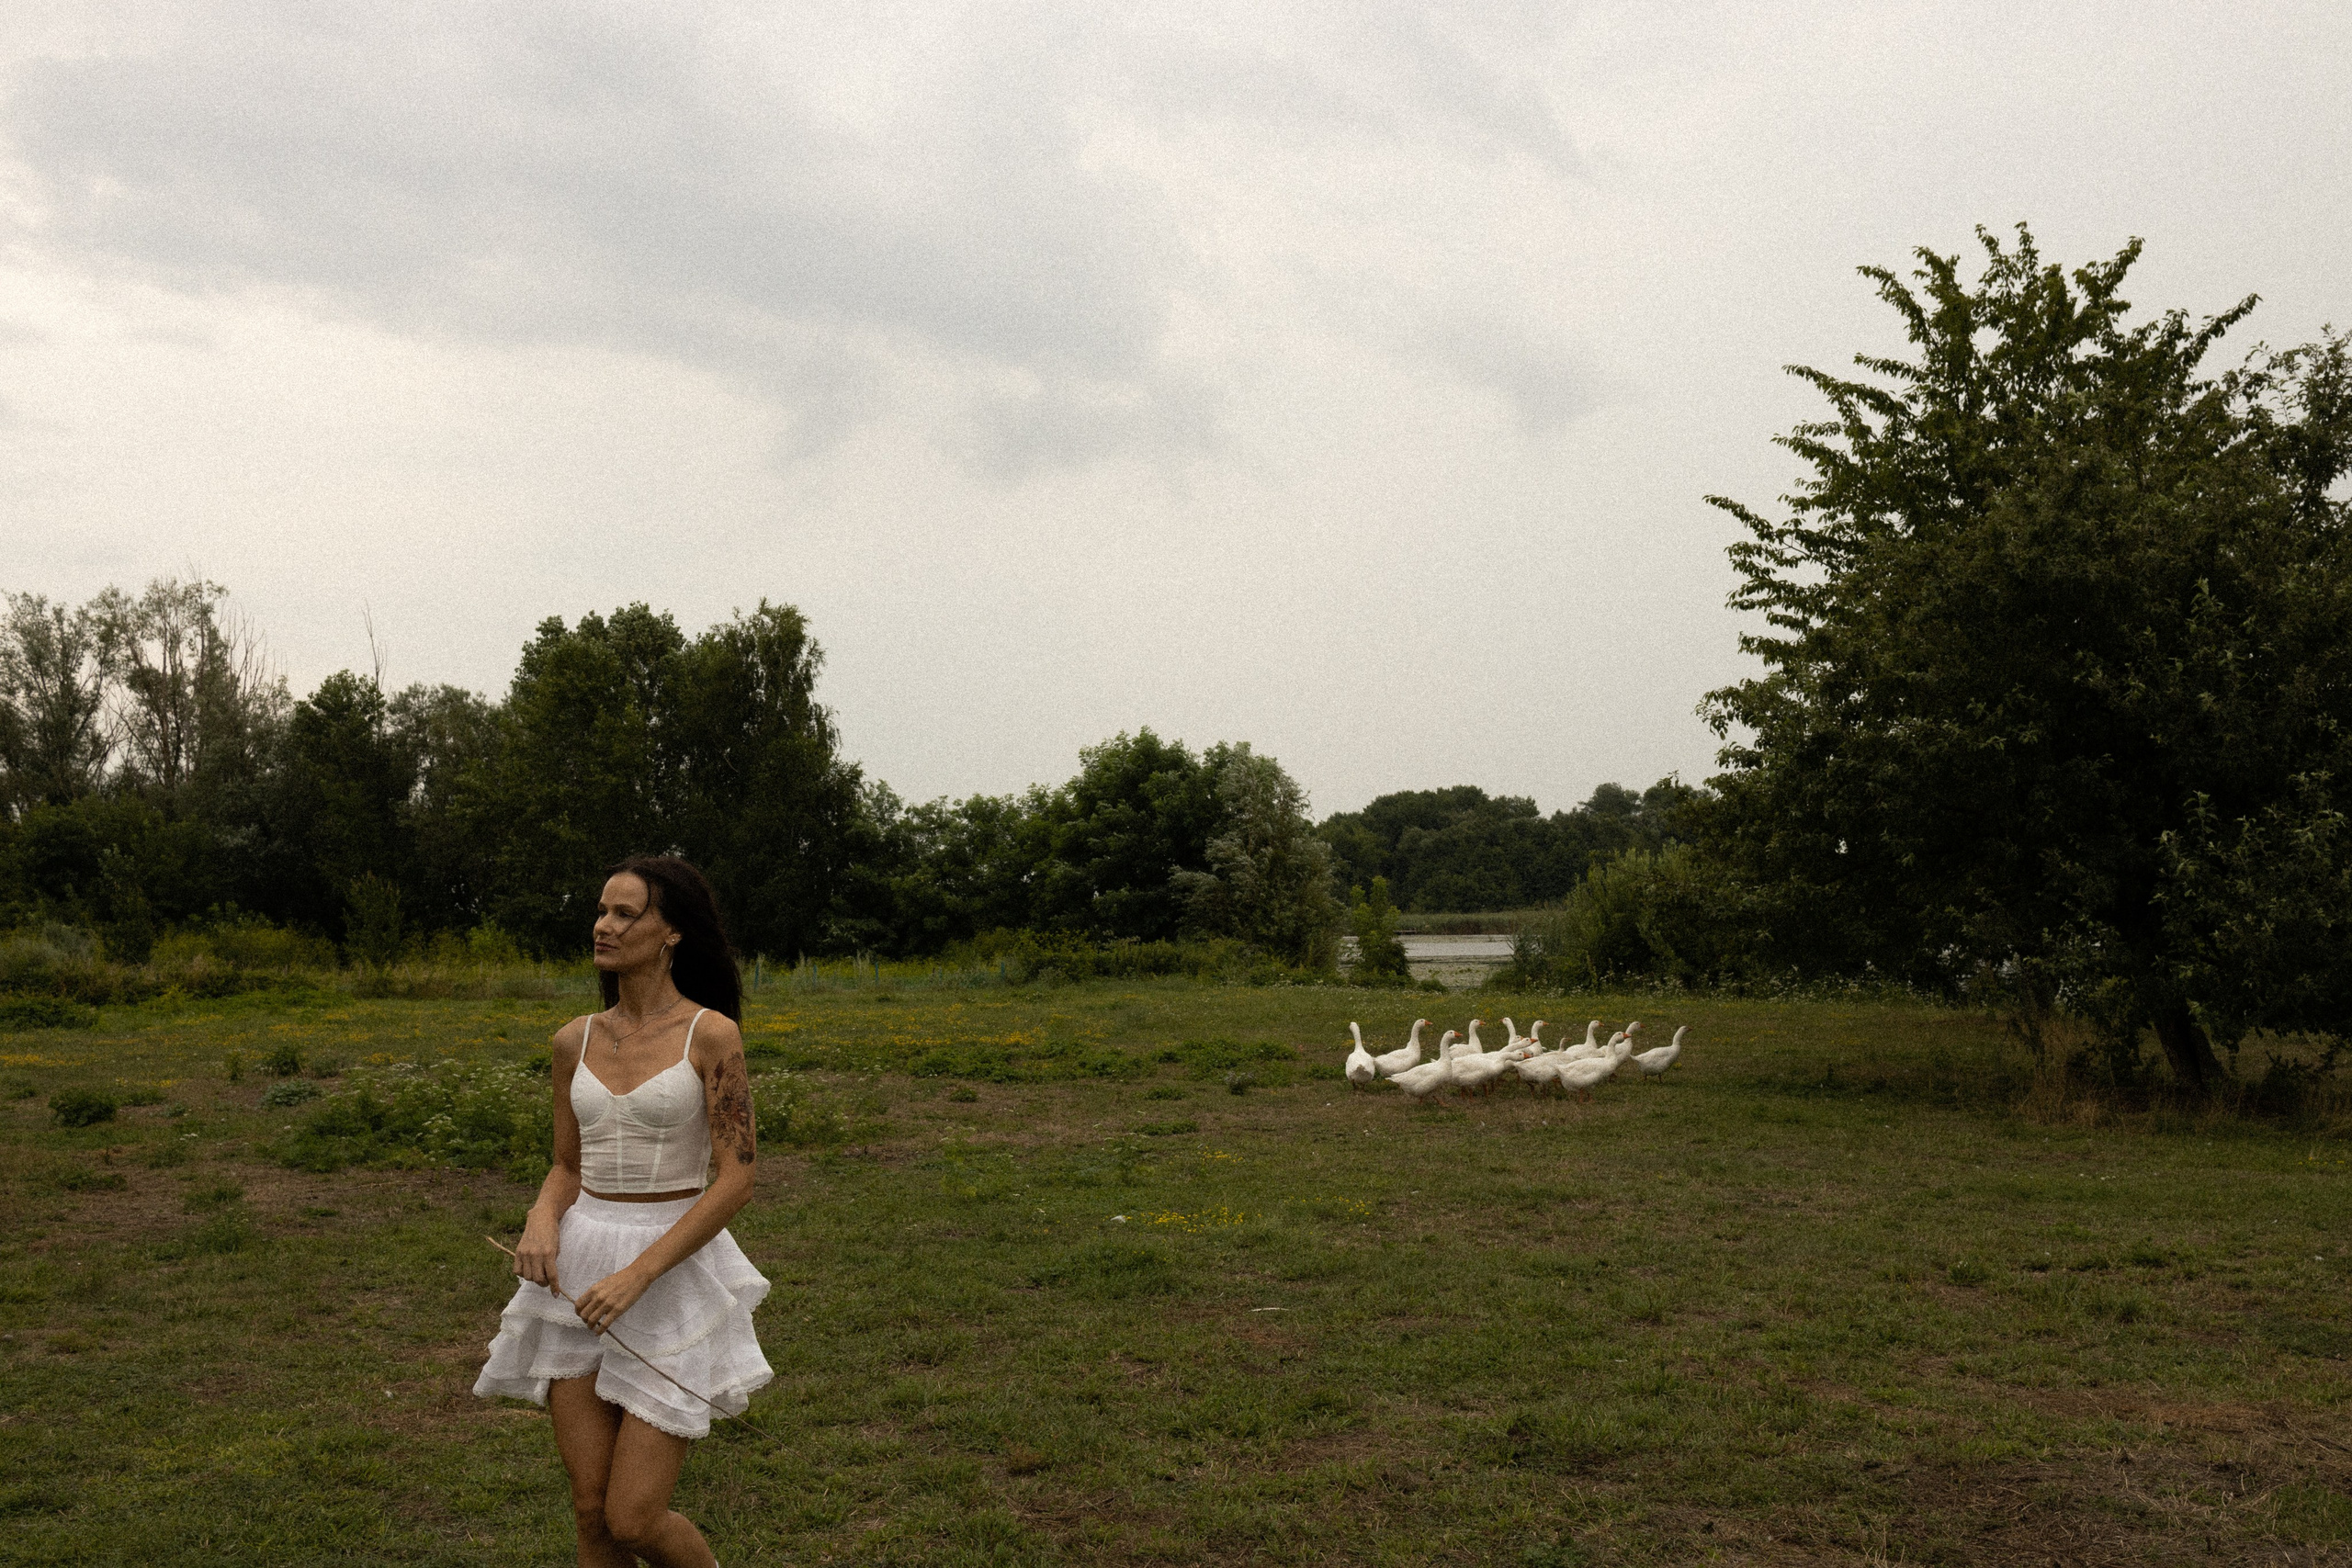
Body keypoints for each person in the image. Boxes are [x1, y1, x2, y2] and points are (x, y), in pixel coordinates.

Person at [474, 855, 770, 1568]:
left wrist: (640, 1273)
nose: (604, 925)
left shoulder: (712, 1035)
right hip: (577, 1272)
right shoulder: (572, 1039)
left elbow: (737, 1178)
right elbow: (567, 1165)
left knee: (633, 1516)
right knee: (590, 1511)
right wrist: (542, 1220)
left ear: (670, 933)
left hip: (666, 1270)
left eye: (625, 913)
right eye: (602, 910)